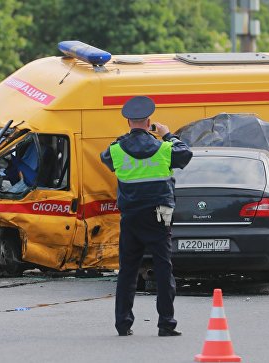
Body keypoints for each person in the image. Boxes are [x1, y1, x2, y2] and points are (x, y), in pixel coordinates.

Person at [100, 96, 192, 337]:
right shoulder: (164, 148)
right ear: (149, 121)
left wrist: (125, 138)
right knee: (163, 268)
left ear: (129, 122)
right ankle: (166, 323)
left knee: (128, 270)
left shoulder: (117, 149)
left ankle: (123, 324)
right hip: (159, 216)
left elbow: (105, 156)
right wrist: (168, 134)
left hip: (131, 217)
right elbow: (186, 153)